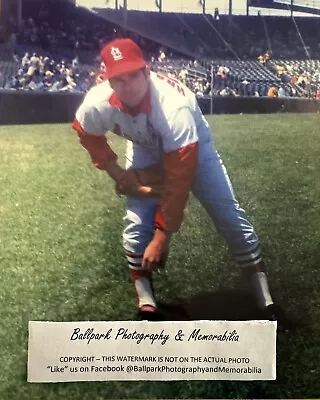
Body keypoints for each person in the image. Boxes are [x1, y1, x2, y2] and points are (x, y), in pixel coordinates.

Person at [72, 38, 281, 321]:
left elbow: (180, 177)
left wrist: (162, 236)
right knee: (136, 223)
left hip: (195, 147)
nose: (128, 84)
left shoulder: (172, 106)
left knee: (229, 217)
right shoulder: (96, 104)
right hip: (145, 147)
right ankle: (146, 305)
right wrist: (119, 174)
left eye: (134, 74)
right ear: (107, 80)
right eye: (118, 78)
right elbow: (86, 133)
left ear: (146, 72)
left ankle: (265, 301)